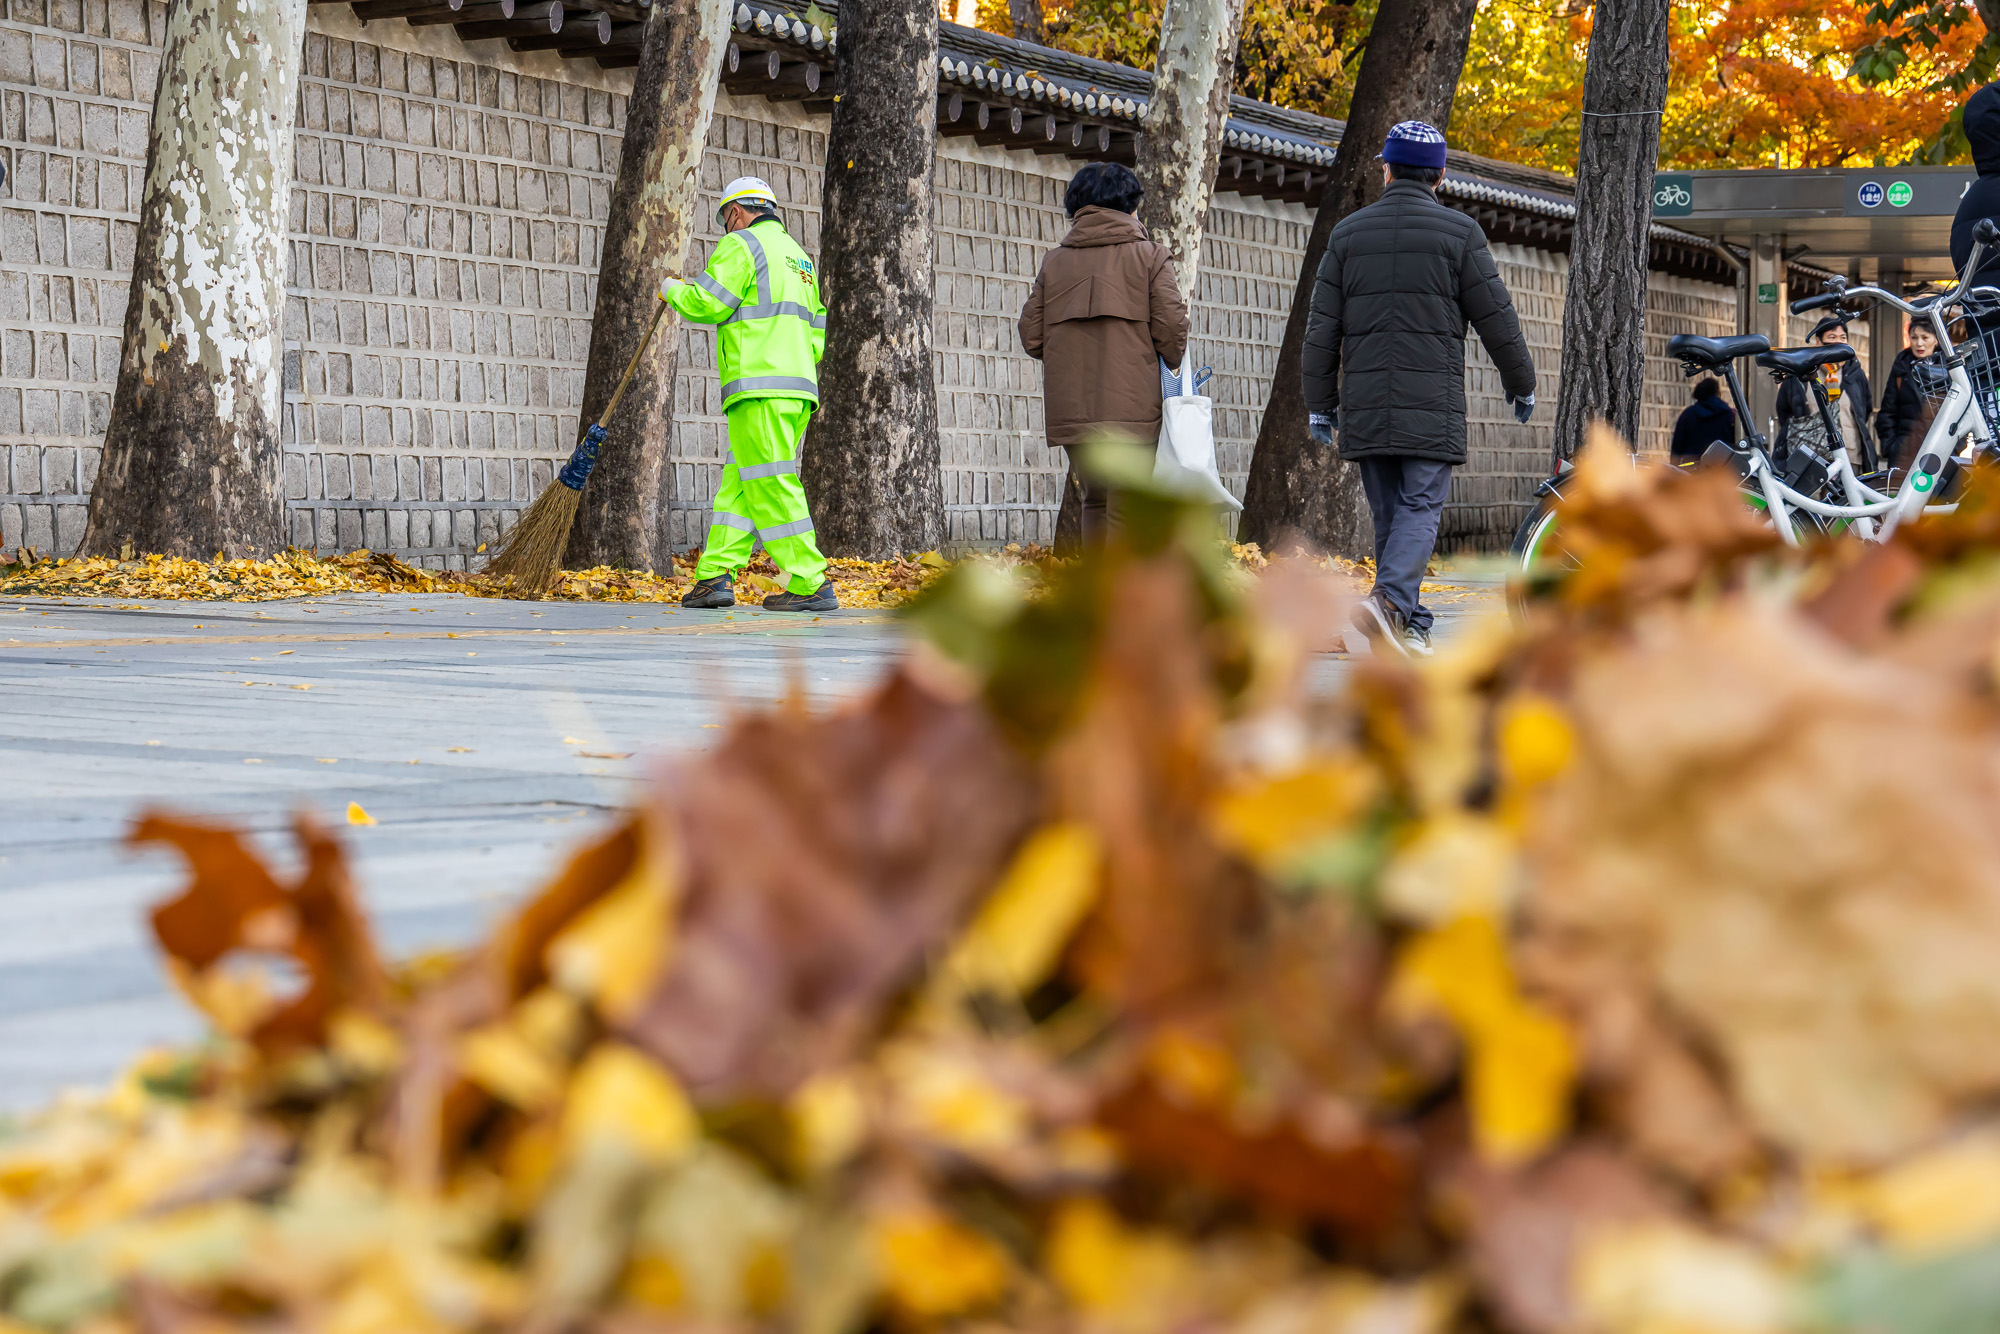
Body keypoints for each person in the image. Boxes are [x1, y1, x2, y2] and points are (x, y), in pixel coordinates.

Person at [1301, 120, 1536, 657]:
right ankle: (1389, 607)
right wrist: (1521, 383)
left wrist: (1320, 405)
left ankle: (1405, 625)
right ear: (1441, 174)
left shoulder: (1348, 234)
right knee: (1421, 507)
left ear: (1386, 170)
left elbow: (1322, 329)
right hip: (1432, 404)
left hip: (1365, 403)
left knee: (1391, 514)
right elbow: (1497, 319)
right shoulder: (1460, 234)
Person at [661, 177, 836, 612]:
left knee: (771, 482)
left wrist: (671, 289)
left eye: (726, 219)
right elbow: (817, 331)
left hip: (759, 387)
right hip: (795, 389)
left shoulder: (741, 245)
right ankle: (714, 576)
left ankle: (810, 580)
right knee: (740, 485)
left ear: (736, 213)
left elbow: (708, 302)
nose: (727, 227)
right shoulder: (799, 258)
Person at [1018, 161, 1190, 547]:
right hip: (1135, 410)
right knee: (1126, 507)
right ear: (1130, 205)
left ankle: (1095, 584)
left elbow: (1031, 336)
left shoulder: (1055, 262)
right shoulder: (1151, 257)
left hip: (1074, 411)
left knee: (1094, 500)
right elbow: (1172, 332)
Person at [1775, 314, 1874, 471]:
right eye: (1832, 337)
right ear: (1818, 341)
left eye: (1843, 337)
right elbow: (1784, 410)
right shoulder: (1801, 373)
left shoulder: (1855, 374)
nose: (1838, 342)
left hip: (1849, 455)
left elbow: (1865, 409)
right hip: (1809, 456)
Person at [1875, 320, 1946, 472]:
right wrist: (1892, 448)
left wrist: (1955, 446)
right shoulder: (1901, 367)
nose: (1919, 343)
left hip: (1941, 450)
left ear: (1936, 340)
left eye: (1925, 337)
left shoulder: (1949, 368)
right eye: (1914, 338)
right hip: (1904, 453)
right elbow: (1887, 413)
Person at [1669, 378, 1736, 464]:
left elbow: (1677, 445)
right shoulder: (1728, 414)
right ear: (1717, 392)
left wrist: (1674, 465)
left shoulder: (1688, 414)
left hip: (1692, 465)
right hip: (1720, 465)